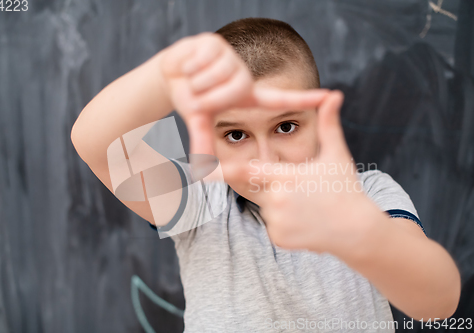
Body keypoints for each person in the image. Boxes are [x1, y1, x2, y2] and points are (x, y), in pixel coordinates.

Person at [71, 17, 461, 332]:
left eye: (286, 127)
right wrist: (165, 78)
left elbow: (438, 304)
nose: (265, 158)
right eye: (236, 134)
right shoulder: (200, 196)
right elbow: (95, 142)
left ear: (320, 118)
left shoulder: (367, 192)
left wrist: (360, 234)